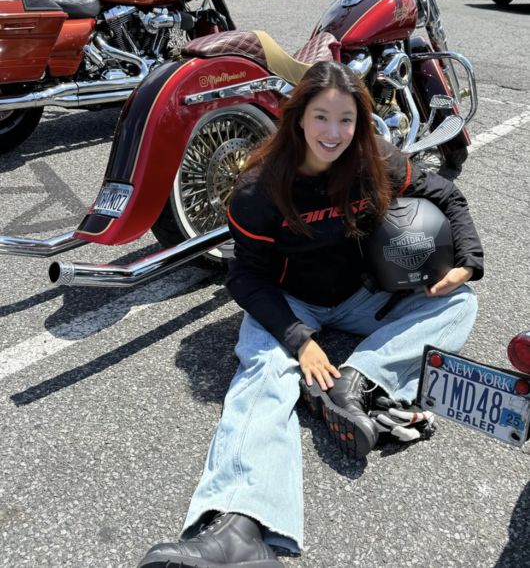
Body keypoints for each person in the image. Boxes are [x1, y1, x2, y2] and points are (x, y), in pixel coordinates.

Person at [137, 60, 483, 568]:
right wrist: (300, 340)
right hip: (290, 300)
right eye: (321, 117)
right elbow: (246, 279)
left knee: (458, 303)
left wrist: (468, 261)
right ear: (298, 117)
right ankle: (242, 526)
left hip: (362, 295)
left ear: (360, 123)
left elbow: (446, 194)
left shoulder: (373, 159)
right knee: (262, 377)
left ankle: (358, 381)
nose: (333, 133)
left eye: (346, 120)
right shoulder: (258, 190)